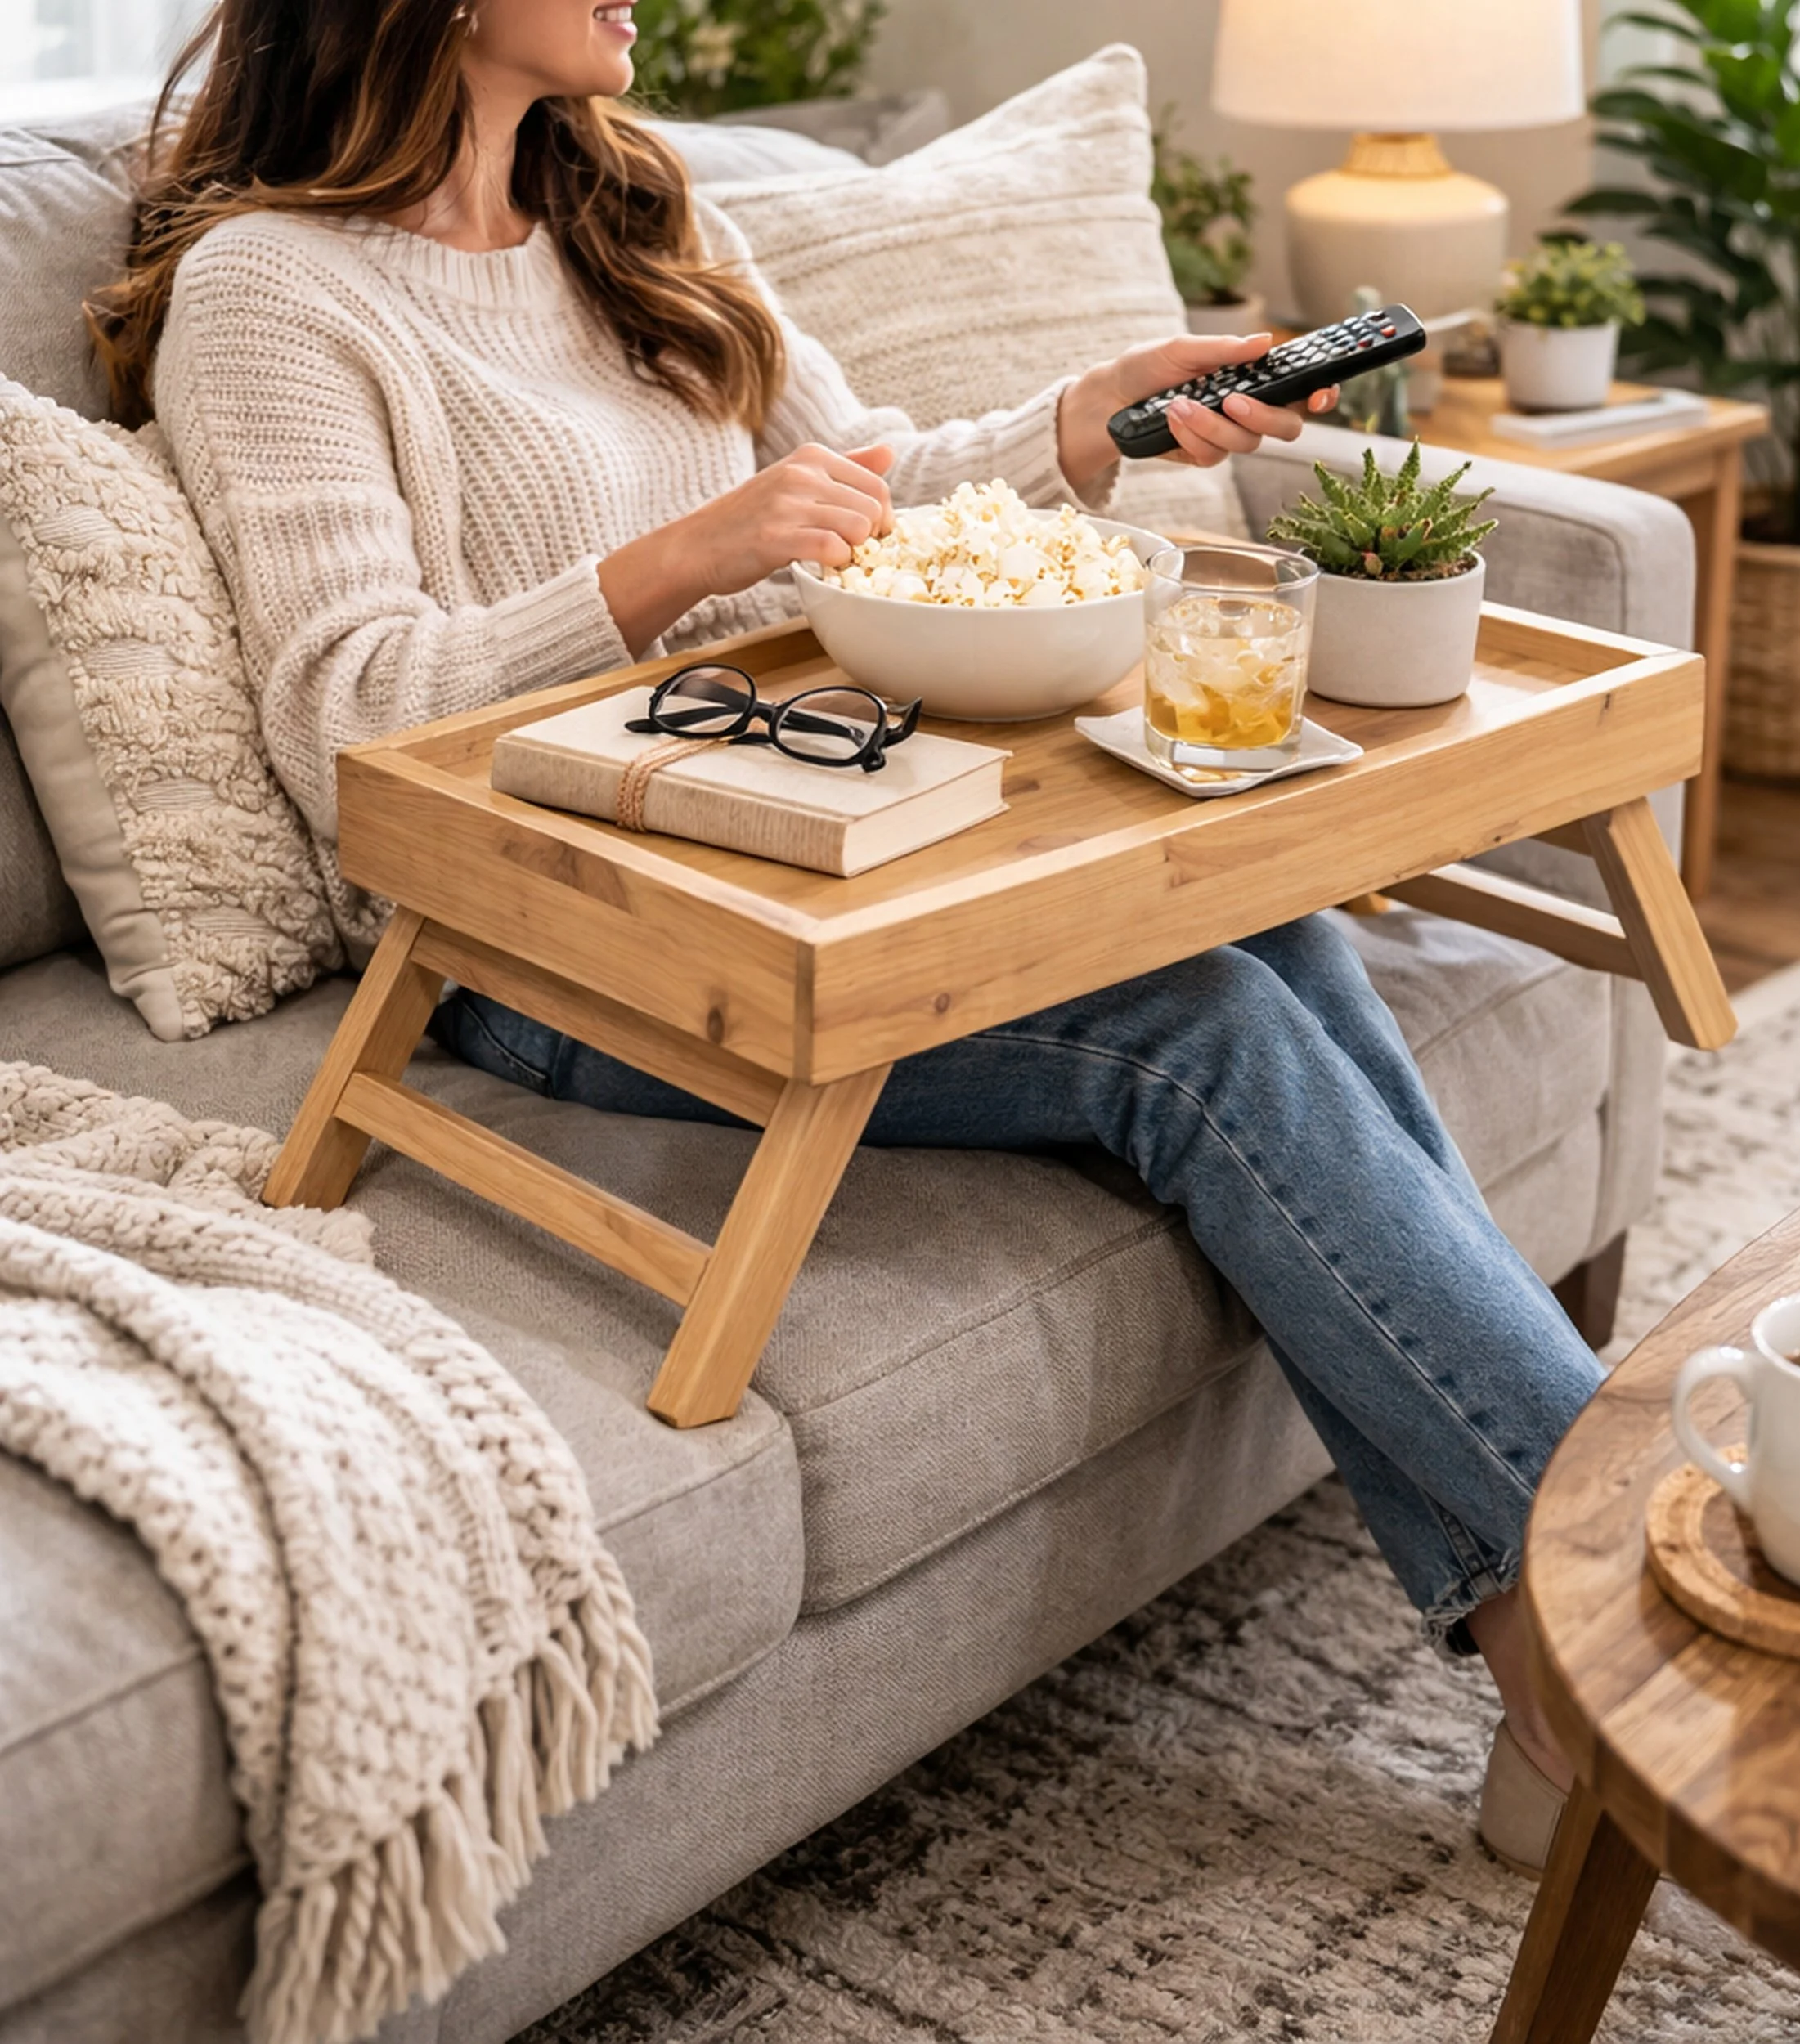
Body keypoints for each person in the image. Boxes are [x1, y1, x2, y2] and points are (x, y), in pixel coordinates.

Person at [93, 0, 1602, 1876]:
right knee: (1197, 1031)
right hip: (543, 946)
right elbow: (348, 720)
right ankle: (1610, 1625)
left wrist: (1078, 421)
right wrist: (678, 562)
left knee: (1267, 912)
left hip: (810, 834)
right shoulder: (273, 289)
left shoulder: (627, 211)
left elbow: (868, 493)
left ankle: (1556, 1653)